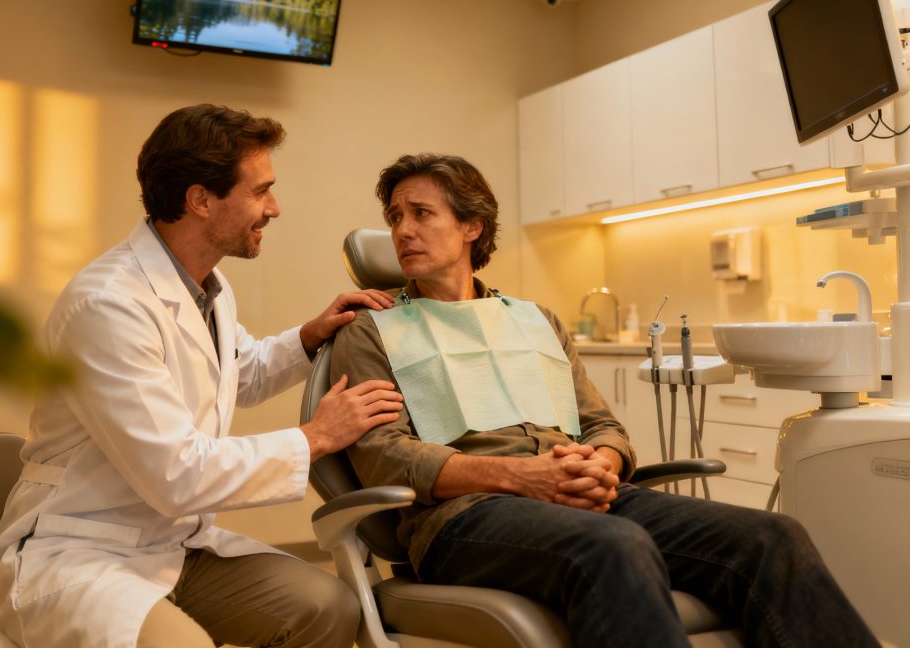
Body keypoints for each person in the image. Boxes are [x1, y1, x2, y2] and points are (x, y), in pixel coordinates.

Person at [330, 152, 880, 648]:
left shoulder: (534, 319)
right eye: (395, 218)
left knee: (773, 537)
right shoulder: (373, 331)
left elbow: (601, 424)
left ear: (472, 226)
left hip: (580, 494)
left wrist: (601, 463)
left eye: (421, 214)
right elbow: (385, 454)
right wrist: (520, 477)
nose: (403, 230)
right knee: (613, 545)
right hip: (463, 518)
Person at [0, 104, 404, 648]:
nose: (274, 208)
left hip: (172, 544)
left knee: (329, 608)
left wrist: (309, 335)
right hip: (82, 551)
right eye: (260, 191)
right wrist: (315, 437)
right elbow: (177, 474)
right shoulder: (108, 305)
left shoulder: (204, 286)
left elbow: (238, 372)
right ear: (200, 199)